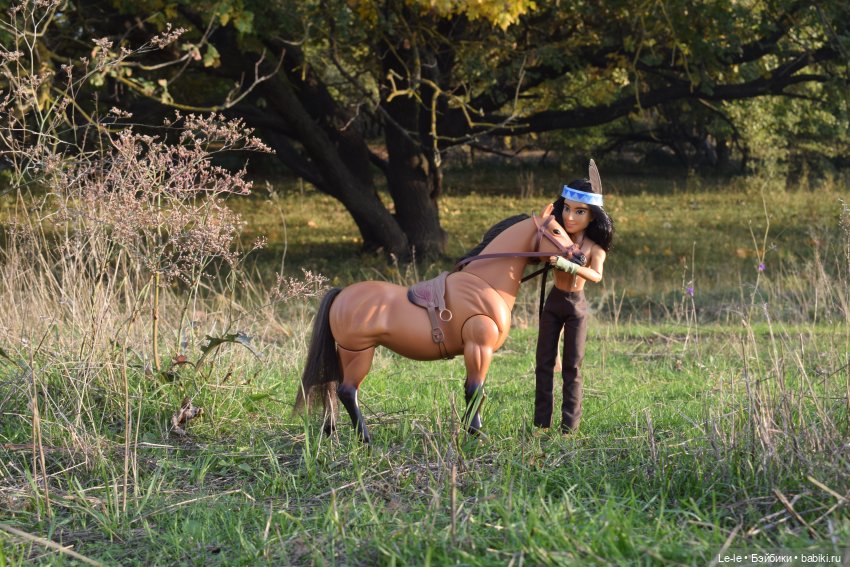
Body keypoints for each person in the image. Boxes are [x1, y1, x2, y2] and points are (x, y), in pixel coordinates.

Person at [534, 160, 614, 433]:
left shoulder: (594, 248)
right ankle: (541, 424)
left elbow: (596, 275)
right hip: (554, 301)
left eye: (579, 211)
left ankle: (569, 427)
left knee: (572, 367)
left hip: (576, 305)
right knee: (543, 362)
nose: (570, 217)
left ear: (592, 216)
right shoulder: (559, 238)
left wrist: (569, 265)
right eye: (566, 209)